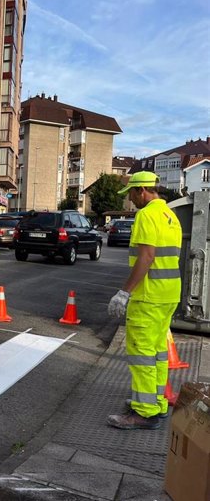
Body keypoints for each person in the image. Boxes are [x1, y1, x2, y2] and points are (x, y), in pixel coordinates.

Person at [107, 171, 182, 430]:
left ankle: (143, 412)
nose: (130, 199)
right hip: (168, 294)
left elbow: (147, 257)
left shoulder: (146, 214)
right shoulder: (170, 215)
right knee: (157, 353)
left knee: (141, 354)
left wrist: (125, 292)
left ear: (141, 191)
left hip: (148, 296)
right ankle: (156, 402)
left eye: (130, 193)